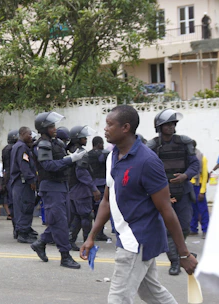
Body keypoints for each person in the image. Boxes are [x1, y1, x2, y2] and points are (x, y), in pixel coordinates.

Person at [80, 105, 198, 303]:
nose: (105, 129)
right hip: (126, 236)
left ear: (125, 127)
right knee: (152, 292)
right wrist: (91, 236)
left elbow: (166, 210)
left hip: (138, 239)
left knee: (118, 298)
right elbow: (108, 201)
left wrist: (183, 253)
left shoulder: (148, 161)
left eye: (110, 124)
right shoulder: (112, 158)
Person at [29, 112, 86, 269]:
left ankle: (41, 243)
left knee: (62, 219)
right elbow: (48, 165)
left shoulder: (56, 143)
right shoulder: (43, 145)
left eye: (54, 126)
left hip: (61, 185)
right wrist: (70, 159)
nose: (55, 128)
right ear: (44, 128)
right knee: (60, 222)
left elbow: (62, 161)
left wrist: (75, 157)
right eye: (51, 126)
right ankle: (65, 256)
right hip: (51, 187)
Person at [147, 109, 199, 276]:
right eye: (167, 124)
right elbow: (148, 169)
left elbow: (195, 165)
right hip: (163, 193)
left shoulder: (184, 143)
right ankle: (175, 261)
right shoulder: (153, 146)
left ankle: (179, 252)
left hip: (183, 191)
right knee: (168, 229)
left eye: (172, 124)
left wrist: (185, 175)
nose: (171, 127)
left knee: (184, 226)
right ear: (159, 127)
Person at [67, 125, 101, 251]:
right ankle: (88, 243)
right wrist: (94, 188)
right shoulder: (80, 152)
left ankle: (70, 241)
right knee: (86, 216)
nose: (85, 139)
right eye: (83, 137)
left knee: (78, 217)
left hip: (74, 189)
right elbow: (81, 172)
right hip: (81, 190)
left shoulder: (72, 150)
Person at [9, 126, 37, 243]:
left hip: (19, 182)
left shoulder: (17, 146)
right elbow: (24, 166)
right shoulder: (22, 147)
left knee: (22, 207)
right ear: (22, 134)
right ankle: (22, 234)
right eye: (29, 134)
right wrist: (31, 180)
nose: (31, 137)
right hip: (23, 182)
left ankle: (23, 230)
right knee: (25, 206)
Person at [88, 136, 110, 241]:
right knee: (100, 210)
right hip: (101, 184)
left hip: (91, 184)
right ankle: (98, 233)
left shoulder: (88, 154)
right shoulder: (103, 154)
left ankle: (91, 233)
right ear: (98, 144)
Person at [190, 141, 209, 239]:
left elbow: (205, 175)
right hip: (189, 185)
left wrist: (202, 191)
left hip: (198, 185)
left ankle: (205, 230)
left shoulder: (202, 158)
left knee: (202, 209)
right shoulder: (188, 157)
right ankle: (193, 229)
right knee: (192, 209)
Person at [2, 130, 18, 224]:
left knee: (11, 201)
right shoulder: (15, 148)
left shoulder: (6, 149)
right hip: (14, 176)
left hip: (8, 176)